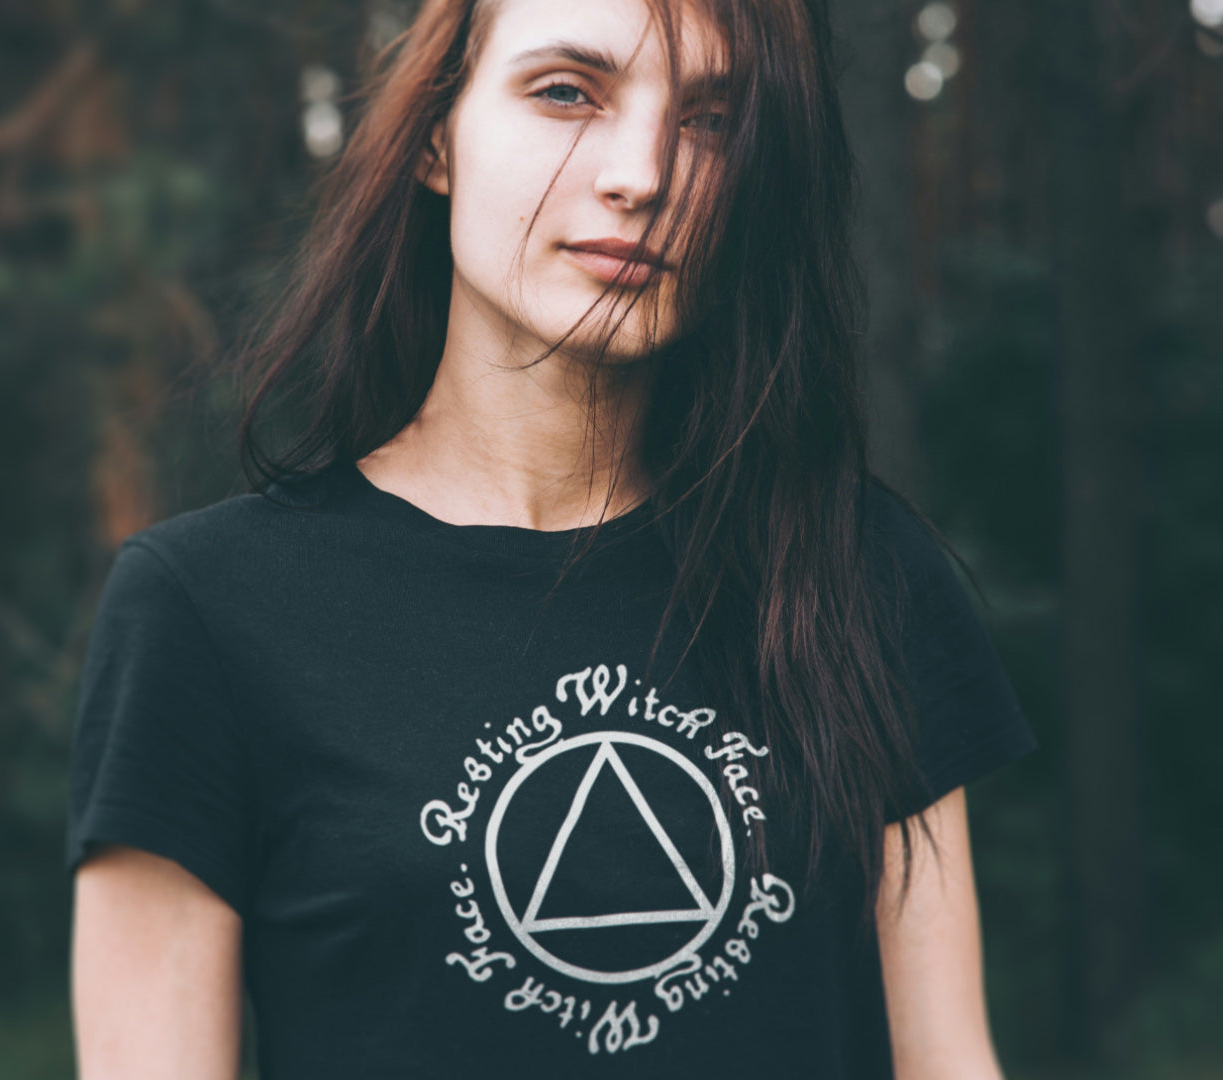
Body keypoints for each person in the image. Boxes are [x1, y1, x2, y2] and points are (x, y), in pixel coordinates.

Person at [67, 0, 1037, 1075]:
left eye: (712, 121)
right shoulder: (206, 607)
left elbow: (951, 1061)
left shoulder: (857, 570)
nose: (644, 174)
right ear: (437, 136)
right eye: (567, 92)